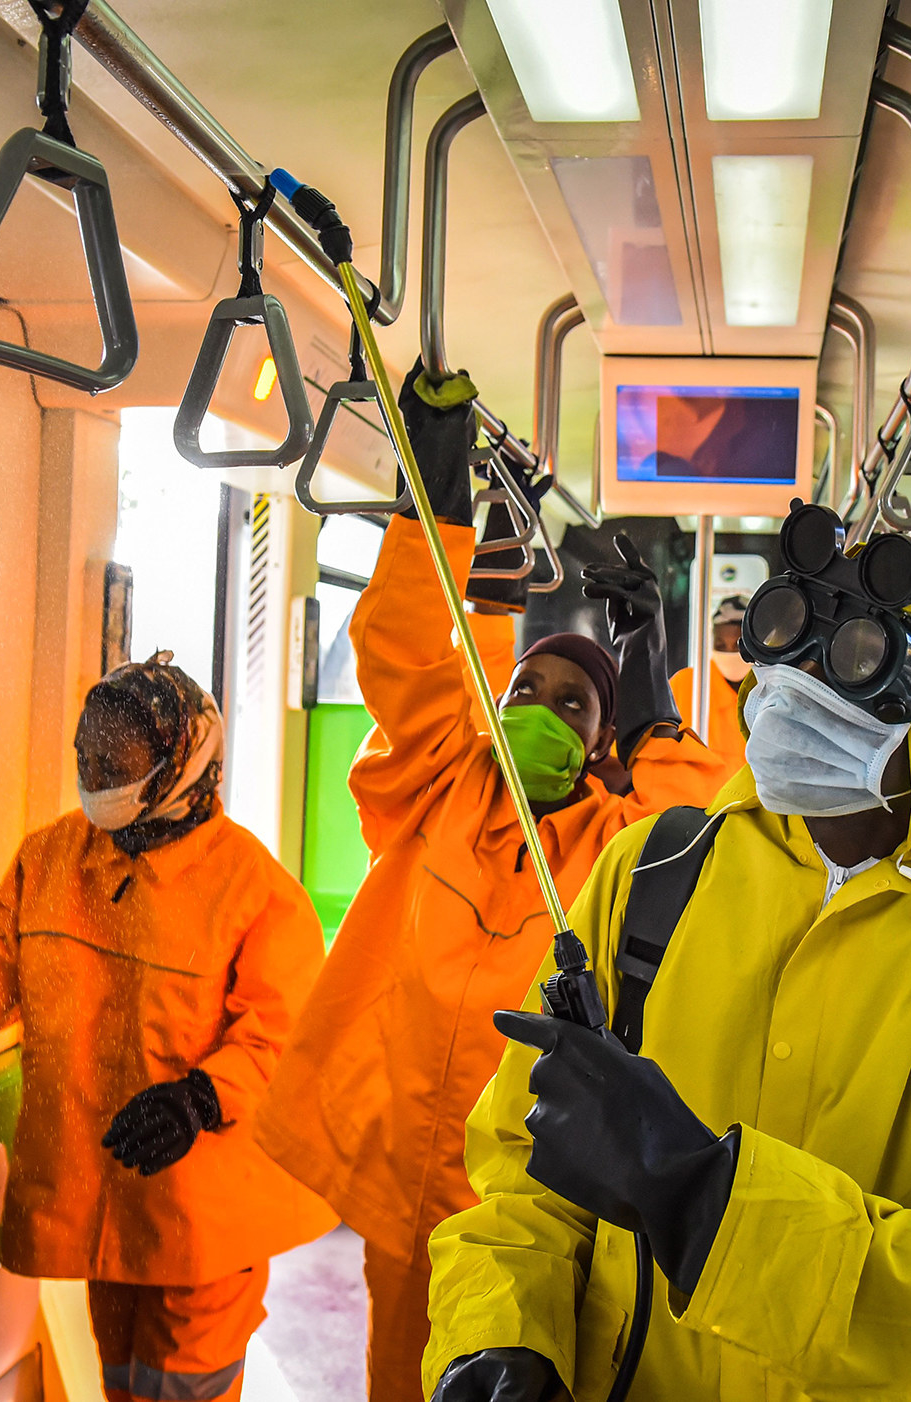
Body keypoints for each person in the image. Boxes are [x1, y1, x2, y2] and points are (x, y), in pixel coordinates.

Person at [422, 504, 911, 1402]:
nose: (791, 692)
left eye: (851, 664)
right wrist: (502, 1338)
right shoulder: (653, 876)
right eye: (786, 650)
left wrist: (705, 1197)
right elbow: (527, 1168)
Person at [251, 364, 734, 1402]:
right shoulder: (442, 789)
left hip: (533, 1191)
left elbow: (694, 821)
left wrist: (648, 672)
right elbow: (408, 659)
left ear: (605, 744)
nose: (546, 709)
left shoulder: (611, 846)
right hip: (395, 1176)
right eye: (529, 689)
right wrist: (434, 490)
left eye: (575, 705)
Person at [0, 655, 334, 1402]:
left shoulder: (255, 892)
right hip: (106, 1204)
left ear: (182, 760)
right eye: (92, 750)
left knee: (183, 1388)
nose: (101, 769)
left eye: (124, 755)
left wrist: (198, 1100)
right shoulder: (50, 860)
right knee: (121, 1383)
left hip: (206, 1221)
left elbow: (284, 1038)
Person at [669, 593, 750, 765]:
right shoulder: (687, 685)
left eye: (738, 645)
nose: (729, 653)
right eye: (720, 645)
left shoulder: (769, 690)